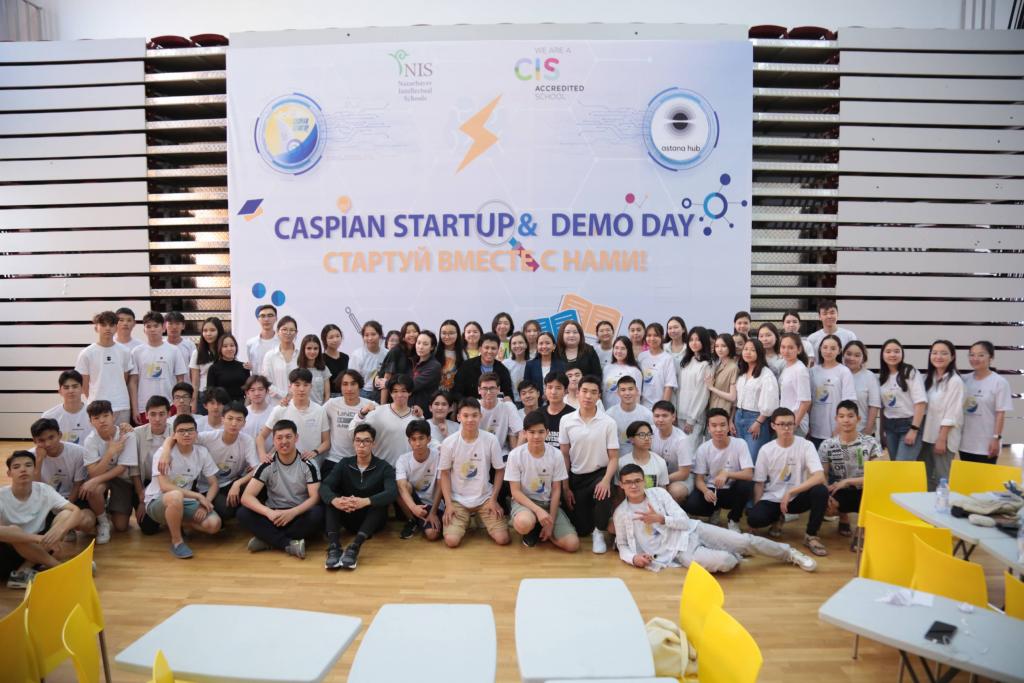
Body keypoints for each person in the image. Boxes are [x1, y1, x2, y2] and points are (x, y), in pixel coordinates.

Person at [613, 462, 817, 573]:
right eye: (628, 482)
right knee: (726, 562)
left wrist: (661, 519)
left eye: (637, 480)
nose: (633, 485)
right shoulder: (621, 513)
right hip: (678, 552)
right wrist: (634, 558)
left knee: (745, 541)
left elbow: (683, 520)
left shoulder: (659, 493)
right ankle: (734, 552)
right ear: (621, 485)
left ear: (644, 481)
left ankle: (789, 554)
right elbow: (622, 545)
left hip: (693, 530)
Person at [747, 407, 830, 557]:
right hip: (773, 498)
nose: (786, 428)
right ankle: (777, 518)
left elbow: (819, 476)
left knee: (821, 490)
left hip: (797, 498)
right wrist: (757, 508)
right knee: (754, 518)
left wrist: (791, 492)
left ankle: (811, 535)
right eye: (782, 424)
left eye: (790, 424)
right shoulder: (766, 449)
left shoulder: (806, 445)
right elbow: (759, 483)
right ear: (773, 426)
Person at [1, 451, 90, 588]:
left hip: (41, 549)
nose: (23, 469)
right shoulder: (2, 495)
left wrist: (61, 531)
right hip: (8, 553)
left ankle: (23, 572)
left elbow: (76, 511)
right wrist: (37, 538)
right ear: (9, 473)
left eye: (28, 465)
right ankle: (60, 567)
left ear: (35, 469)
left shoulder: (44, 490)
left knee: (66, 514)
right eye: (16, 467)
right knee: (14, 531)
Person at [239, 420, 323, 559]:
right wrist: (268, 513)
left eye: (288, 437)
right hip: (273, 515)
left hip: (298, 514)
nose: (284, 441)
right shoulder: (267, 464)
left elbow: (315, 497)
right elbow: (246, 497)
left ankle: (268, 540)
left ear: (296, 438)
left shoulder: (308, 464)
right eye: (279, 438)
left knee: (318, 513)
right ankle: (287, 543)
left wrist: (293, 512)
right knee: (243, 513)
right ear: (274, 440)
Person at [163, 402, 258, 522]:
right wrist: (166, 452)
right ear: (222, 420)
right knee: (226, 511)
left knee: (259, 490)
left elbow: (257, 469)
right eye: (230, 418)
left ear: (244, 423)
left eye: (239, 420)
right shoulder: (209, 437)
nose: (234, 423)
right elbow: (176, 437)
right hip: (208, 486)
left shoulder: (247, 440)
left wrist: (237, 484)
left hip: (231, 482)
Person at [143, 415, 221, 558]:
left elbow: (214, 483)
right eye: (181, 431)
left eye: (190, 430)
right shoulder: (163, 454)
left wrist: (205, 503)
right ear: (174, 435)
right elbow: (165, 486)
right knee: (175, 496)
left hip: (184, 501)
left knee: (214, 524)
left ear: (196, 434)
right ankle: (177, 542)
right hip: (157, 501)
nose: (186, 434)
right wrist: (198, 496)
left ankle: (176, 522)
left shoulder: (201, 452)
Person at [321, 423, 397, 570]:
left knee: (379, 503)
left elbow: (392, 492)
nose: (361, 445)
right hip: (348, 515)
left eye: (366, 441)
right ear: (353, 443)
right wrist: (336, 501)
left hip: (372, 520)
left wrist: (365, 501)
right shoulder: (344, 463)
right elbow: (325, 486)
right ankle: (334, 546)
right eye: (358, 440)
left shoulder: (384, 467)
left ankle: (354, 547)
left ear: (373, 444)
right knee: (331, 500)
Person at [439, 397, 510, 548]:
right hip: (458, 499)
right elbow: (444, 474)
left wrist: (493, 499)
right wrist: (449, 504)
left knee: (503, 539)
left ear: (480, 416)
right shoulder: (449, 443)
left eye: (474, 415)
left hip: (485, 498)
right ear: (459, 417)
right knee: (451, 541)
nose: (470, 419)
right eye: (465, 415)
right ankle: (467, 519)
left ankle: (477, 517)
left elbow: (500, 470)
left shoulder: (491, 440)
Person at [559, 374, 618, 553]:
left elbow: (614, 457)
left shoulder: (608, 422)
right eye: (584, 391)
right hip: (576, 476)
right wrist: (565, 486)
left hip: (599, 473)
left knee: (604, 493)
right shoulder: (566, 420)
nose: (588, 396)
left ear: (599, 396)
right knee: (581, 529)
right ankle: (592, 524)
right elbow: (564, 455)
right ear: (577, 393)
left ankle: (599, 532)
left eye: (593, 392)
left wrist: (606, 480)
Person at [506, 411, 579, 551]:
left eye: (540, 432)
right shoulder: (515, 455)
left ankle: (544, 529)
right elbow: (515, 492)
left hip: (548, 504)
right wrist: (538, 511)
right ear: (525, 433)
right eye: (532, 432)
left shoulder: (556, 455)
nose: (536, 436)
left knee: (572, 545)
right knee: (523, 523)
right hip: (525, 503)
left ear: (547, 433)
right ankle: (532, 527)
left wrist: (550, 522)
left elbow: (556, 490)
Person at [818, 400, 881, 538]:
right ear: (836, 419)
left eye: (850, 416)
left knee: (878, 491)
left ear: (858, 419)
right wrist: (825, 495)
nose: (846, 420)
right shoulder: (827, 445)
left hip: (865, 489)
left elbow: (876, 475)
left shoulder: (871, 442)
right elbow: (823, 474)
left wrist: (848, 481)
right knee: (821, 499)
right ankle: (843, 518)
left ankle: (862, 527)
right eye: (841, 416)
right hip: (840, 490)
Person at [685, 408, 754, 532]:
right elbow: (699, 480)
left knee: (746, 485)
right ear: (708, 428)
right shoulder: (703, 449)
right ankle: (714, 510)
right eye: (714, 425)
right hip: (712, 489)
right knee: (692, 506)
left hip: (732, 491)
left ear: (728, 427)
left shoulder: (740, 444)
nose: (718, 429)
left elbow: (749, 474)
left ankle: (734, 519)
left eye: (722, 425)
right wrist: (706, 491)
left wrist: (727, 474)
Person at [82, 399, 140, 543]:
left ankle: (107, 506)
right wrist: (109, 453)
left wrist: (95, 480)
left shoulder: (127, 434)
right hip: (103, 477)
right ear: (90, 422)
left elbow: (122, 468)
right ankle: (103, 522)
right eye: (96, 418)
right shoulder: (90, 440)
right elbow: (93, 473)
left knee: (121, 526)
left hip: (122, 479)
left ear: (113, 416)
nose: (102, 421)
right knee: (93, 490)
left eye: (105, 416)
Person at [29, 418, 97, 532]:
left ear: (60, 435)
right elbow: (35, 488)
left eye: (51, 437)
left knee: (87, 522)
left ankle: (66, 526)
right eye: (41, 440)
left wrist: (66, 508)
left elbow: (77, 484)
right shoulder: (30, 456)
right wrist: (39, 461)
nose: (48, 444)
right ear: (34, 441)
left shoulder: (78, 452)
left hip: (73, 498)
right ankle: (63, 527)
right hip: (46, 501)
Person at [258, 368, 330, 468]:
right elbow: (261, 436)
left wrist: (315, 452)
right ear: (290, 387)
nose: (301, 389)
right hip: (284, 463)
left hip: (311, 464)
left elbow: (326, 442)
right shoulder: (280, 410)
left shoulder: (320, 410)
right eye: (297, 385)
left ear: (311, 386)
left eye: (306, 385)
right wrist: (263, 455)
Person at [75, 310, 133, 426]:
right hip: (97, 408)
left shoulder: (124, 351)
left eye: (111, 325)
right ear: (96, 328)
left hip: (121, 405)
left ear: (116, 327)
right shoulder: (86, 353)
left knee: (123, 436)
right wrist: (95, 401)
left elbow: (124, 378)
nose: (107, 328)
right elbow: (84, 384)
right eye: (103, 325)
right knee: (98, 437)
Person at [129, 310, 187, 423]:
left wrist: (179, 404)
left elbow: (180, 380)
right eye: (148, 326)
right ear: (144, 329)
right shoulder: (136, 352)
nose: (152, 329)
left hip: (170, 405)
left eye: (156, 326)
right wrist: (135, 408)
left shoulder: (174, 350)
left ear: (163, 327)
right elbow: (133, 382)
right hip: (144, 407)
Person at [921, 340, 965, 490]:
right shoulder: (928, 379)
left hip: (944, 439)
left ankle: (942, 505)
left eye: (944, 353)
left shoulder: (955, 381)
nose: (938, 356)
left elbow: (952, 412)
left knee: (942, 478)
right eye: (934, 353)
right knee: (926, 479)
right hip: (927, 436)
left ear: (952, 357)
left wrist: (941, 438)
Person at [960, 341, 1013, 464]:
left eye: (981, 355)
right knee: (967, 475)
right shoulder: (964, 379)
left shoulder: (999, 382)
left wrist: (996, 438)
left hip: (987, 444)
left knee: (985, 476)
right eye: (972, 355)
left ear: (991, 357)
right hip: (965, 443)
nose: (975, 358)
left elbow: (1000, 414)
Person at [350, 374, 417, 467]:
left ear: (410, 392)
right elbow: (352, 430)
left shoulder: (417, 416)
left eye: (404, 391)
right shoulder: (378, 412)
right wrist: (361, 414)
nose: (399, 395)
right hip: (380, 469)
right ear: (390, 393)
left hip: (406, 470)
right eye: (395, 391)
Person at [878, 338, 927, 461]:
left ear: (902, 353)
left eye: (896, 351)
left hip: (909, 425)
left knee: (902, 465)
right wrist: (881, 432)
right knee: (896, 466)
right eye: (888, 351)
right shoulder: (882, 377)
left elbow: (920, 402)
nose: (892, 354)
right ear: (882, 354)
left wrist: (914, 429)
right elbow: (883, 408)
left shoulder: (909, 372)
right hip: (890, 427)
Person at [323, 370, 377, 479]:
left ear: (359, 385)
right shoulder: (331, 404)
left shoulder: (371, 405)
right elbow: (314, 413)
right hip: (334, 459)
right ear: (340, 386)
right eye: (345, 384)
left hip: (360, 461)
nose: (349, 388)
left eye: (353, 384)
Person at [395, 420, 443, 541]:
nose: (417, 443)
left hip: (434, 504)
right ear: (409, 441)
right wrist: (413, 508)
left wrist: (433, 513)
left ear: (429, 439)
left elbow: (440, 486)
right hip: (414, 503)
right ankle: (412, 520)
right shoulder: (403, 459)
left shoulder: (439, 456)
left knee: (432, 535)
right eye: (413, 439)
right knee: (400, 486)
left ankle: (422, 522)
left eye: (421, 438)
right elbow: (401, 486)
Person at [733, 338, 779, 463]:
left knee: (753, 458)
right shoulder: (742, 372)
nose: (748, 352)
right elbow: (736, 399)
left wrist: (758, 422)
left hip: (756, 418)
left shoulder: (766, 374)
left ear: (759, 353)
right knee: (740, 458)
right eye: (746, 349)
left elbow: (770, 402)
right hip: (739, 416)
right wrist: (732, 419)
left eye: (752, 350)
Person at [808, 334, 857, 450]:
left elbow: (848, 402)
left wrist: (840, 427)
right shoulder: (813, 371)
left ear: (839, 351)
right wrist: (808, 425)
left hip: (837, 430)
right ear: (820, 349)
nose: (828, 351)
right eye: (825, 347)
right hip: (815, 429)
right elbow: (809, 401)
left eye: (833, 348)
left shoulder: (844, 371)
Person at [132, 395, 172, 533]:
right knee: (148, 528)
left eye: (162, 414)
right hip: (146, 482)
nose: (157, 419)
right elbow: (134, 468)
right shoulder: (136, 434)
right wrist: (142, 499)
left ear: (169, 414)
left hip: (170, 482)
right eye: (153, 414)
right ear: (146, 415)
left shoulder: (176, 431)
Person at [675, 327, 712, 455]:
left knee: (691, 454)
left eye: (698, 340)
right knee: (680, 452)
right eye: (691, 339)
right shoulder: (685, 362)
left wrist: (691, 419)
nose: (694, 343)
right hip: (680, 415)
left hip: (694, 418)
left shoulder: (706, 364)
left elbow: (702, 394)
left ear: (704, 342)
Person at [650, 400, 693, 502]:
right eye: (657, 416)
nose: (660, 419)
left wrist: (660, 481)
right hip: (655, 475)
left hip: (678, 477)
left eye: (665, 416)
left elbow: (684, 473)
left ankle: (676, 511)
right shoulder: (649, 432)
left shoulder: (681, 440)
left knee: (676, 491)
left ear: (673, 417)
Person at [453, 333, 513, 400]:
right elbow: (456, 392)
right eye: (486, 348)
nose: (489, 351)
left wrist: (507, 399)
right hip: (470, 405)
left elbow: (508, 394)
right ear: (480, 349)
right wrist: (468, 403)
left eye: (493, 348)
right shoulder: (466, 366)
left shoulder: (503, 370)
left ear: (498, 350)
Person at [42, 370, 94, 445]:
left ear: (82, 389)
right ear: (60, 391)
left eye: (75, 386)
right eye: (66, 387)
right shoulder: (48, 417)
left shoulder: (94, 414)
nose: (71, 390)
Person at [605, 376, 654, 457]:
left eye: (630, 389)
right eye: (623, 390)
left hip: (640, 459)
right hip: (617, 459)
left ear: (637, 391)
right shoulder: (609, 415)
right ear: (618, 393)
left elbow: (652, 441)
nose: (627, 393)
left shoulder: (647, 415)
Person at [479, 372, 523, 456]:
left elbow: (521, 432)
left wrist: (516, 456)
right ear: (479, 390)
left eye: (492, 388)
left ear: (498, 389)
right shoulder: (474, 407)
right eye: (485, 388)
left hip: (501, 453)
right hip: (478, 453)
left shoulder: (508, 406)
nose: (488, 392)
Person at [616, 421, 670, 490]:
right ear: (631, 439)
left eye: (649, 434)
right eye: (642, 435)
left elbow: (662, 490)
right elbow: (619, 490)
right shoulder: (621, 462)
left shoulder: (660, 462)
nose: (647, 438)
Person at [842, 341, 880, 437]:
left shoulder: (869, 377)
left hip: (862, 431)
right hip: (839, 432)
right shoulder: (837, 374)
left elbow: (874, 406)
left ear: (863, 358)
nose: (852, 358)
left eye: (857, 355)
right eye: (848, 354)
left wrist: (867, 432)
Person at [779, 332, 812, 436]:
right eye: (783, 347)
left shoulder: (800, 370)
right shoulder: (787, 366)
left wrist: (794, 425)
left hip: (795, 424)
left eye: (790, 347)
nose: (786, 351)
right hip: (784, 421)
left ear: (799, 349)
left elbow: (806, 402)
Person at [189, 317, 224, 412]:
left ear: (219, 331)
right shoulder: (197, 353)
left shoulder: (225, 350)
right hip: (204, 395)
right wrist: (193, 404)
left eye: (212, 330)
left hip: (223, 395)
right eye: (205, 330)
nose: (208, 334)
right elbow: (195, 383)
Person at [638, 322, 677, 409]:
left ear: (662, 337)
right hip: (642, 406)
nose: (652, 338)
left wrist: (662, 408)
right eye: (649, 335)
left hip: (659, 407)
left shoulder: (667, 358)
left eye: (656, 335)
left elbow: (669, 386)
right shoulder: (641, 357)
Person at [260, 316, 299, 402]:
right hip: (275, 403)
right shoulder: (270, 355)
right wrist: (286, 395)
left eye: (292, 330)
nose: (288, 333)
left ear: (296, 333)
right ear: (278, 331)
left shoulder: (301, 355)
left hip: (298, 402)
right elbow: (266, 382)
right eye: (284, 329)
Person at [379, 321, 419, 404]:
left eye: (414, 331)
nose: (412, 334)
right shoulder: (396, 351)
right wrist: (382, 406)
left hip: (407, 397)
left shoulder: (418, 352)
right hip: (391, 397)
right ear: (403, 336)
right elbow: (385, 379)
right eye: (408, 332)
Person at [602, 336, 644, 408]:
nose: (619, 351)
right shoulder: (607, 368)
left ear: (628, 350)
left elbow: (636, 397)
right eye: (616, 348)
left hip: (624, 411)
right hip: (605, 410)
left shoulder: (635, 371)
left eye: (623, 348)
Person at [350, 320, 387, 401]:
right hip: (363, 393)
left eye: (373, 334)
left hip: (382, 392)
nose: (370, 338)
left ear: (380, 335)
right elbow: (352, 378)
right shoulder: (357, 355)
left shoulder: (387, 354)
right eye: (366, 335)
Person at [206, 333, 250, 402]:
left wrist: (245, 405)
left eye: (232, 345)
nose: (229, 349)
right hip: (222, 405)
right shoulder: (213, 368)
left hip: (241, 405)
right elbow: (210, 393)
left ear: (236, 347)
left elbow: (249, 390)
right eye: (225, 346)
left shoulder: (243, 366)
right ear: (220, 348)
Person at [239, 375, 274, 453]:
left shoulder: (274, 412)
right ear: (247, 393)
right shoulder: (242, 414)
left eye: (260, 389)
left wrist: (268, 457)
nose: (257, 393)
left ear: (267, 391)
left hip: (269, 457)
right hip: (246, 459)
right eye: (252, 390)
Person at [706, 333, 738, 415]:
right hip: (712, 408)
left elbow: (732, 397)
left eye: (723, 346)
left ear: (730, 347)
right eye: (717, 346)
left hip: (723, 411)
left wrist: (712, 388)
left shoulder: (733, 368)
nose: (719, 349)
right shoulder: (718, 365)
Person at [410, 331, 442, 413]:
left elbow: (412, 385)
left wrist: (387, 383)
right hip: (407, 408)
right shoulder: (412, 361)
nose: (420, 347)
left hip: (422, 411)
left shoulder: (434, 366)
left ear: (432, 347)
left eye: (425, 344)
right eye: (418, 343)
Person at [541, 372, 576, 447]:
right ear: (545, 389)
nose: (553, 392)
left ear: (566, 391)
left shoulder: (573, 414)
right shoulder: (538, 414)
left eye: (558, 388)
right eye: (550, 387)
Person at [296, 334, 332, 405]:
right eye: (309, 348)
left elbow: (327, 394)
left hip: (320, 408)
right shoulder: (297, 368)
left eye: (315, 348)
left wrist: (323, 409)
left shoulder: (324, 369)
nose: (312, 352)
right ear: (303, 349)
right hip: (302, 408)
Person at [245, 304, 279, 374]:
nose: (266, 319)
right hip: (257, 380)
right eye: (263, 316)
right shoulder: (250, 343)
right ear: (258, 319)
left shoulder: (282, 342)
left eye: (270, 315)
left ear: (276, 318)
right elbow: (249, 367)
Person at [435, 319, 466, 393]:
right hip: (435, 395)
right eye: (444, 333)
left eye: (451, 333)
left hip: (454, 395)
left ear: (457, 334)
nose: (447, 336)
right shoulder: (434, 352)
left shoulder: (463, 354)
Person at [320, 324, 349, 397]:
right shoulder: (320, 359)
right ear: (324, 340)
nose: (335, 340)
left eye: (338, 336)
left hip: (345, 396)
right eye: (331, 337)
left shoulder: (345, 357)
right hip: (328, 397)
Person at [502, 332, 529, 402]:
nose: (517, 345)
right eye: (514, 343)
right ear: (510, 346)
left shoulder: (532, 362)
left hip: (530, 400)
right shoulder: (505, 364)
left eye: (520, 342)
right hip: (513, 401)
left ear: (526, 344)